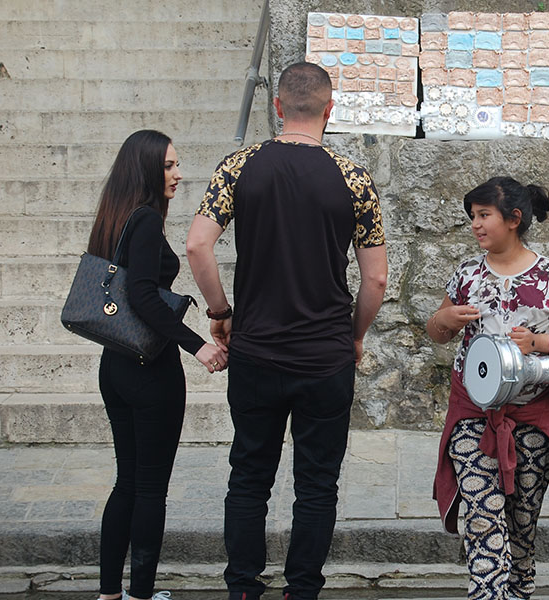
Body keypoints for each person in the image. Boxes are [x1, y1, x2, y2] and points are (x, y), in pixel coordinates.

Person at [185, 62, 388, 600]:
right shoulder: (354, 179)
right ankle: (302, 590)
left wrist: (219, 311)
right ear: (330, 109)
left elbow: (197, 246)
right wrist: (355, 334)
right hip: (325, 357)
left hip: (255, 353)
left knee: (249, 475)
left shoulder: (238, 167)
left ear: (277, 107)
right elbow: (377, 278)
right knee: (317, 486)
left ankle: (244, 588)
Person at [429, 177, 549, 600]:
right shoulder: (467, 273)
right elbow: (436, 328)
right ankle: (487, 593)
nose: (475, 225)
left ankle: (518, 589)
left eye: (484, 215)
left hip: (535, 416)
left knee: (521, 527)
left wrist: (538, 343)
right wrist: (445, 322)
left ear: (514, 219)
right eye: (472, 216)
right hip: (473, 415)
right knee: (484, 518)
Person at [90, 130, 228, 600]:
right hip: (150, 370)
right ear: (147, 169)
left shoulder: (115, 216)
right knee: (150, 488)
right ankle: (141, 595)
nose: (178, 174)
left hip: (115, 367)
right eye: (169, 165)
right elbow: (142, 295)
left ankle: (111, 593)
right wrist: (198, 346)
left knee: (126, 481)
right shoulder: (145, 220)